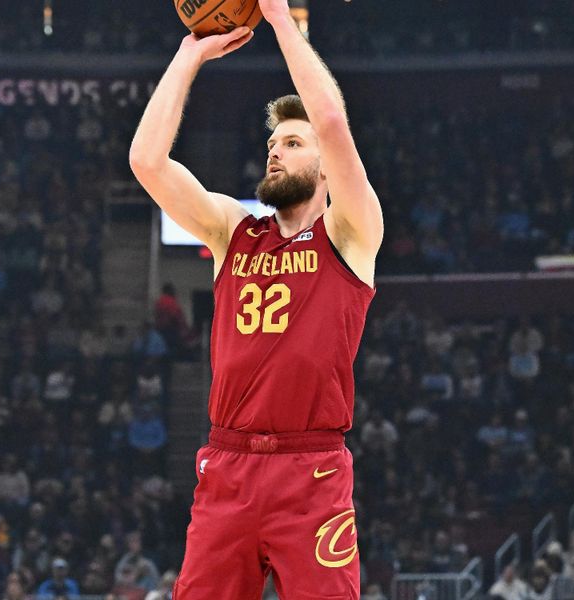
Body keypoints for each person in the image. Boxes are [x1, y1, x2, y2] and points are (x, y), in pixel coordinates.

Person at [129, 0, 383, 596]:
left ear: (325, 166)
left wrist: (278, 18)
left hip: (311, 469)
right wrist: (188, 55)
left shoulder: (350, 233)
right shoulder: (232, 233)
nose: (276, 150)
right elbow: (146, 160)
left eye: (294, 143)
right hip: (228, 463)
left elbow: (333, 121)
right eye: (273, 142)